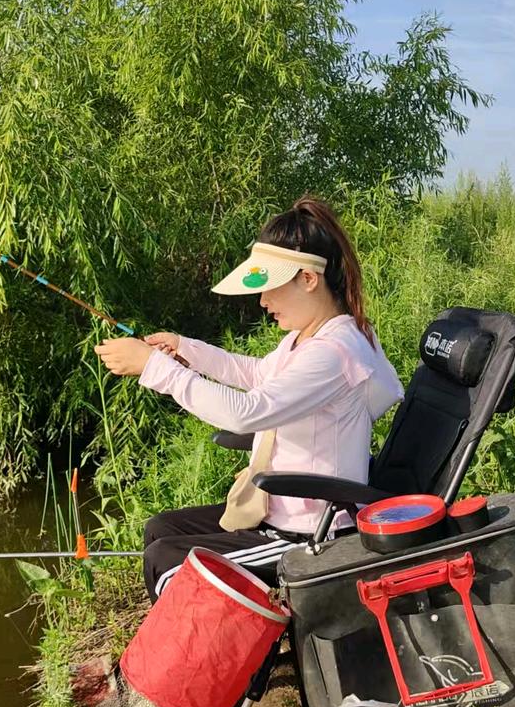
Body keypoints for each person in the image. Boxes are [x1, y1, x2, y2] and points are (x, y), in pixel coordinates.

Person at [94, 195, 403, 601]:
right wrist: (186, 349)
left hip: (310, 530)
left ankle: (207, 659)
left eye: (270, 288)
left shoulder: (333, 352)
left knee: (166, 557)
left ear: (308, 279)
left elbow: (247, 412)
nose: (262, 302)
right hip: (278, 512)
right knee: (160, 529)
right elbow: (258, 374)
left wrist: (155, 369)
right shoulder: (308, 337)